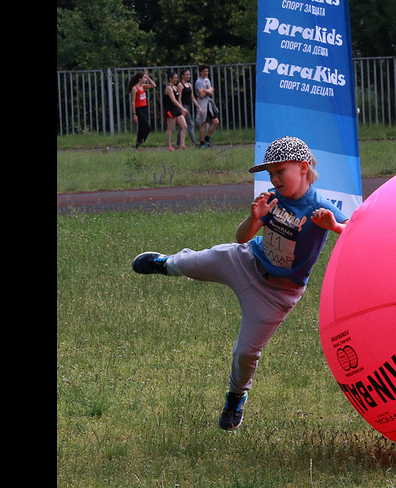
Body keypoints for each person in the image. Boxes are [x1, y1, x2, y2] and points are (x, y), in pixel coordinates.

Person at [131, 136, 348, 431]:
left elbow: (352, 230)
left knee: (245, 353)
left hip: (276, 294)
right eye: (270, 173)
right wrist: (253, 217)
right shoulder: (272, 197)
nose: (273, 179)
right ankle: (165, 263)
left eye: (279, 171)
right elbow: (241, 237)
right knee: (195, 262)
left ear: (303, 166)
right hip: (246, 260)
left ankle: (236, 397)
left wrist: (333, 226)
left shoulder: (320, 206)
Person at [194, 64, 221, 148]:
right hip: (202, 102)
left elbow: (211, 92)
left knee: (216, 121)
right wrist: (208, 90)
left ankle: (207, 138)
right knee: (203, 123)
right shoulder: (198, 82)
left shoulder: (207, 80)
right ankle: (202, 143)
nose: (206, 73)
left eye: (207, 71)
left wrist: (206, 90)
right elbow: (201, 95)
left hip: (209, 102)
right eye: (204, 71)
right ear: (200, 72)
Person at [129, 70, 156, 149]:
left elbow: (154, 85)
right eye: (144, 78)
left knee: (141, 128)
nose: (146, 79)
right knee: (147, 127)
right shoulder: (135, 88)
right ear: (140, 79)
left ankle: (138, 145)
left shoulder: (143, 86)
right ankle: (141, 141)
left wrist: (147, 76)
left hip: (144, 108)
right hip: (139, 109)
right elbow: (133, 102)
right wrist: (134, 114)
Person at [176, 68, 202, 149]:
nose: (189, 76)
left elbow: (193, 98)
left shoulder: (190, 85)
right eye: (187, 74)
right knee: (190, 124)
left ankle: (179, 143)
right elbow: (179, 99)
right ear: (182, 76)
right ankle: (194, 141)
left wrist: (199, 107)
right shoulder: (180, 85)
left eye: (189, 74)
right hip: (183, 106)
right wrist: (182, 109)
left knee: (183, 126)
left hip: (189, 106)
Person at [162, 71, 188, 151]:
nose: (177, 79)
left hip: (177, 110)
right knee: (171, 128)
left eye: (177, 78)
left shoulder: (176, 88)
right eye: (175, 78)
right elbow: (173, 100)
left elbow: (178, 99)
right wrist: (182, 108)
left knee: (184, 126)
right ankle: (169, 146)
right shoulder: (169, 88)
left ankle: (182, 144)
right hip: (170, 110)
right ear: (170, 79)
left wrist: (181, 109)